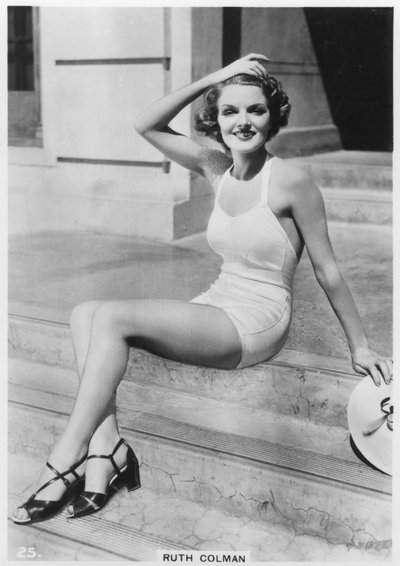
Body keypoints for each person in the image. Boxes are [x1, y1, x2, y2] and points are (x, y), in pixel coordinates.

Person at [13, 53, 393, 525]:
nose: (243, 121)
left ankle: (65, 455)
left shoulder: (291, 181)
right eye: (230, 111)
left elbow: (328, 269)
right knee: (83, 312)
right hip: (218, 302)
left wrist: (360, 346)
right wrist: (216, 77)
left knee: (110, 317)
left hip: (257, 320)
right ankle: (105, 449)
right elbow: (145, 124)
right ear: (216, 119)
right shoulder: (216, 166)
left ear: (273, 117)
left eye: (256, 110)